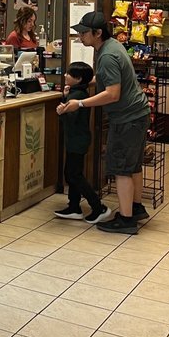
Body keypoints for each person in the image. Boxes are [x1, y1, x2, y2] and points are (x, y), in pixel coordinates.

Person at [57, 11, 150, 235]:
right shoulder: (113, 46)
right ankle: (136, 208)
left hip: (127, 118)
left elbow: (112, 94)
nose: (80, 36)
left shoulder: (107, 56)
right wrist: (84, 84)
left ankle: (126, 220)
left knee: (121, 168)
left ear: (97, 33)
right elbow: (108, 78)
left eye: (84, 33)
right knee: (133, 166)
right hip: (138, 114)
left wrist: (80, 103)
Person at [55, 61, 112, 224]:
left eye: (69, 74)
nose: (65, 75)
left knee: (74, 174)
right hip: (77, 139)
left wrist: (61, 112)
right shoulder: (77, 92)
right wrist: (65, 97)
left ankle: (98, 207)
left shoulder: (77, 96)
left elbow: (71, 119)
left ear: (79, 79)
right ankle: (74, 207)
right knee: (71, 173)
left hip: (77, 140)